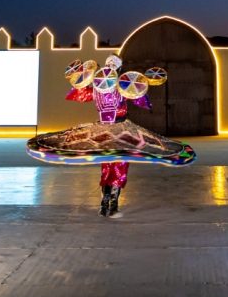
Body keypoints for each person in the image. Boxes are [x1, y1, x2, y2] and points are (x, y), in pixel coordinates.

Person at [26, 55, 194, 217]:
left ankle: (107, 204)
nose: (110, 67)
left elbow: (81, 92)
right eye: (110, 64)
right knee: (116, 167)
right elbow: (140, 99)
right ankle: (110, 205)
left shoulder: (105, 87)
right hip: (118, 134)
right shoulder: (114, 86)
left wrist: (82, 79)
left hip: (108, 132)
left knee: (109, 167)